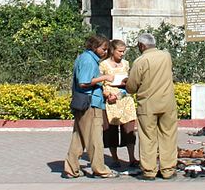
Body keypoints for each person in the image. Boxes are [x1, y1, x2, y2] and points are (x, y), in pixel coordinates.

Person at [124, 32, 178, 179]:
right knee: (168, 135)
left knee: (148, 137)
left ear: (142, 45)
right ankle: (168, 170)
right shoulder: (166, 56)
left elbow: (132, 86)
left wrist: (126, 83)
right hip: (167, 102)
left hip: (148, 104)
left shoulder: (140, 61)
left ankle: (149, 171)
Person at [62, 35, 113, 178]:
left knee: (79, 137)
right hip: (90, 104)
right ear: (94, 47)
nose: (105, 52)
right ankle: (100, 169)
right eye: (103, 49)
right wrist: (104, 77)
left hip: (84, 102)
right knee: (94, 138)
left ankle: (71, 168)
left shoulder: (85, 58)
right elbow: (84, 82)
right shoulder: (88, 60)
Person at [99, 39, 140, 171]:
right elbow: (101, 83)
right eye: (120, 51)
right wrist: (107, 94)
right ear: (113, 50)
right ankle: (115, 158)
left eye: (124, 52)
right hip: (110, 100)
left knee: (129, 129)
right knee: (111, 130)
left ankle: (132, 157)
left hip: (124, 98)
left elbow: (129, 81)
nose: (122, 54)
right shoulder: (104, 65)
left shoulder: (126, 64)